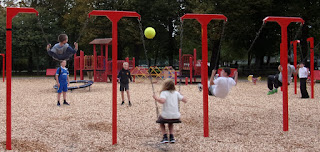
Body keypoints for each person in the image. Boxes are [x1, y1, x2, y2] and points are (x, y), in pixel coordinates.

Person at [153, 79, 187, 144]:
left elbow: (162, 101)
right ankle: (171, 137)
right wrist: (181, 94)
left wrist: (156, 98)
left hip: (166, 116)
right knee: (170, 122)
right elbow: (185, 100)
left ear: (165, 86)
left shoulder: (164, 93)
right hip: (176, 116)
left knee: (161, 122)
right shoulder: (176, 93)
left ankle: (165, 137)